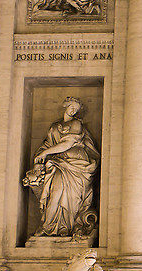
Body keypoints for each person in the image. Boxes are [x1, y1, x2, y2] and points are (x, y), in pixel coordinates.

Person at [25, 97, 99, 238]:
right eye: (71, 107)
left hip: (76, 164)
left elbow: (67, 143)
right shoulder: (55, 126)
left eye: (76, 109)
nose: (73, 110)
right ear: (65, 106)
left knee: (71, 197)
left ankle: (66, 227)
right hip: (58, 163)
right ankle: (50, 226)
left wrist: (46, 153)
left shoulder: (77, 124)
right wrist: (39, 158)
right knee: (55, 193)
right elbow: (47, 144)